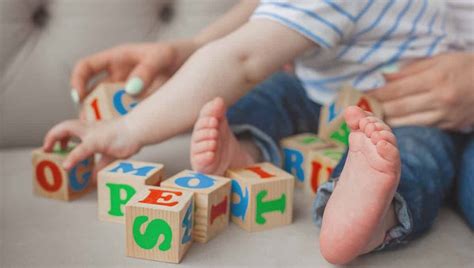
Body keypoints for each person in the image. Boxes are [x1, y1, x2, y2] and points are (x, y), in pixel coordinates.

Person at [42, 0, 473, 264]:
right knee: (270, 94)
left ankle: (375, 215)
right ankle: (244, 149)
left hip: (410, 105)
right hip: (323, 88)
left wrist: (126, 129)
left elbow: (240, 60)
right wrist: (185, 50)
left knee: (411, 154)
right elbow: (260, 14)